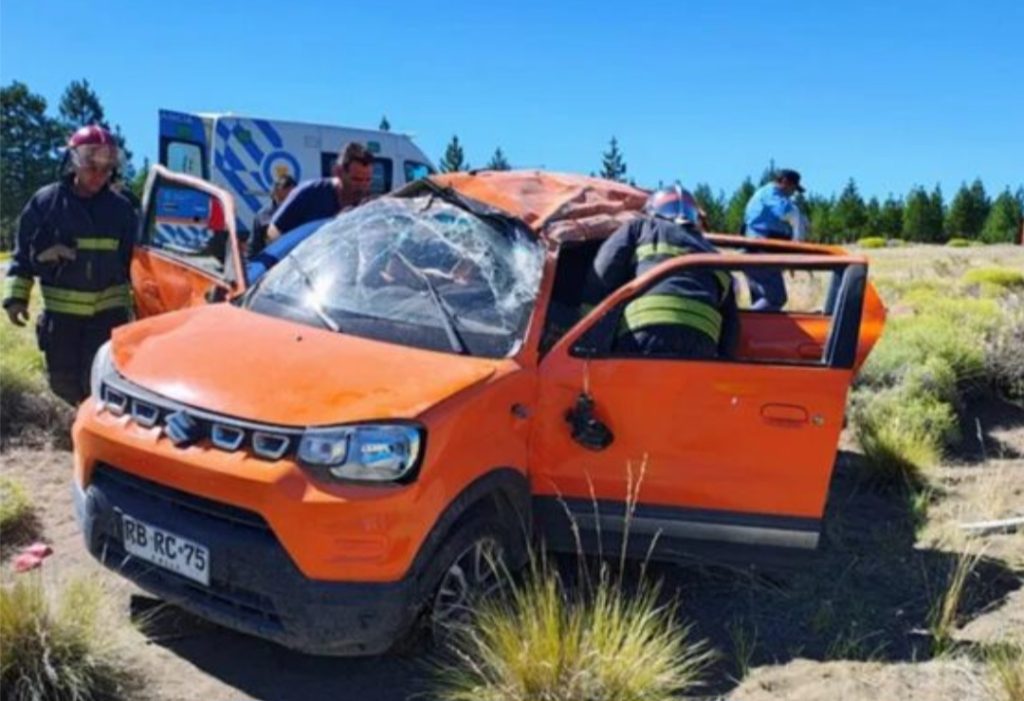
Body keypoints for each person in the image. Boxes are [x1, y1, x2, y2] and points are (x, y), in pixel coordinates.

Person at [2, 125, 138, 405]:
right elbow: (23, 255)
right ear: (73, 161)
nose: (99, 175)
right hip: (61, 320)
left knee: (99, 383)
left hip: (108, 319)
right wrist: (16, 298)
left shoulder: (122, 210)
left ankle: (93, 427)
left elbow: (138, 262)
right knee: (62, 383)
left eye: (106, 169)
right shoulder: (46, 203)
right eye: (91, 167)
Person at [583, 185, 738, 359]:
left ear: (652, 210)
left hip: (645, 333)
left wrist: (587, 337)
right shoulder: (715, 255)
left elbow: (602, 273)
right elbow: (731, 324)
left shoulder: (640, 227)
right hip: (702, 343)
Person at [267, 142, 374, 241]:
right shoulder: (309, 193)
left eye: (368, 180)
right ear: (338, 172)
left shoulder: (367, 204)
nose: (363, 187)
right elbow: (273, 231)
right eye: (356, 180)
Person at [743, 168, 807, 311]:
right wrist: (797, 247)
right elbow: (788, 213)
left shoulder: (765, 194)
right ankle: (744, 321)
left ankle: (752, 323)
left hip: (755, 252)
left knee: (762, 298)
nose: (793, 193)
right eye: (793, 188)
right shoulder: (771, 194)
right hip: (760, 252)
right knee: (776, 297)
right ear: (785, 182)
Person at [249, 174, 296, 257]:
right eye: (281, 198)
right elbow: (255, 246)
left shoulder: (302, 213)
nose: (285, 202)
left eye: (290, 197)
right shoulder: (262, 216)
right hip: (273, 260)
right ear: (275, 193)